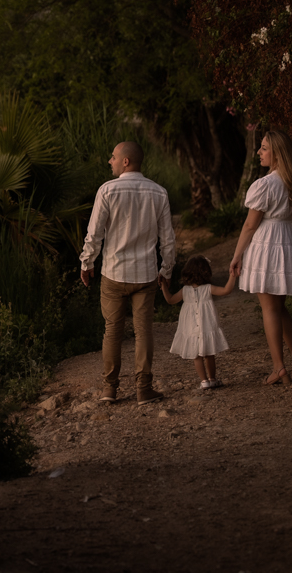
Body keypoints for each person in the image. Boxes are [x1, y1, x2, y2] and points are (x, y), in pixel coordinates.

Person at [80, 141, 176, 404]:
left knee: (112, 331)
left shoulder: (107, 190)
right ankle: (144, 390)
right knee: (143, 331)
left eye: (113, 157)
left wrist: (87, 264)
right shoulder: (159, 193)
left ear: (125, 161)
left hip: (113, 273)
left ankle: (109, 390)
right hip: (145, 275)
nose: (109, 161)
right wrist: (166, 270)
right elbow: (168, 239)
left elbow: (94, 233)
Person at [229, 129, 292, 385]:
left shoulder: (265, 184)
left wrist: (237, 255)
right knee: (279, 307)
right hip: (287, 242)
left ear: (276, 153)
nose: (259, 152)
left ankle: (279, 367)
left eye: (264, 148)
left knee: (269, 309)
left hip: (268, 244)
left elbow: (250, 226)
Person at [160, 255, 234, 390]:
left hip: (190, 326)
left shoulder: (185, 290)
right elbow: (226, 290)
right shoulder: (208, 288)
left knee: (196, 355)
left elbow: (170, 300)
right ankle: (212, 379)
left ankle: (204, 381)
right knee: (209, 353)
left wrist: (163, 286)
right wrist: (233, 275)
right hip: (206, 325)